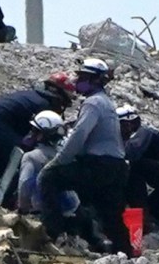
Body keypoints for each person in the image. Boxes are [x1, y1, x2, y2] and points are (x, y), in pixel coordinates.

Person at [41, 59, 134, 253]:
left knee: (50, 178)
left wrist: (58, 162)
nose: (78, 81)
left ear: (95, 80)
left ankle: (50, 235)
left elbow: (80, 134)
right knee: (111, 215)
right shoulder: (107, 102)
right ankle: (124, 253)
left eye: (82, 77)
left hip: (99, 164)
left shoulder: (93, 102)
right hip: (117, 167)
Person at [0, 73, 78, 198]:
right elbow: (39, 136)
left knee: (2, 166)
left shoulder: (31, 96)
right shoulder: (44, 106)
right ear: (59, 95)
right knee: (19, 164)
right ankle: (6, 202)